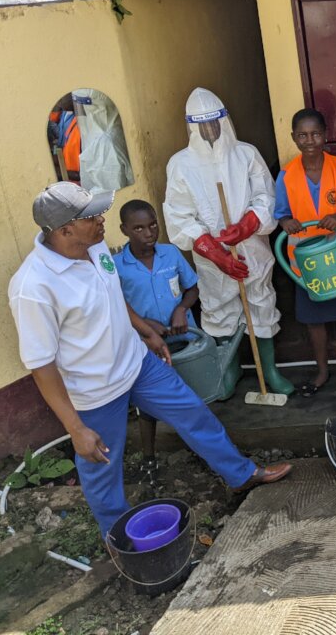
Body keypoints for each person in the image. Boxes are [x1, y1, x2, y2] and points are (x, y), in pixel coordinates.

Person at [8, 183, 291, 537]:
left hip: (138, 363)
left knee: (193, 412)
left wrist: (146, 332)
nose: (102, 220)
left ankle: (240, 475)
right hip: (95, 391)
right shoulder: (33, 287)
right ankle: (120, 538)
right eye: (92, 216)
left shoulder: (95, 249)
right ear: (65, 230)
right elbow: (41, 364)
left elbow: (111, 296)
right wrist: (76, 428)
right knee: (101, 468)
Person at [163, 87, 294, 396]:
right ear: (192, 127)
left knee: (260, 302)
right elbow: (179, 217)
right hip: (211, 259)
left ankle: (269, 371)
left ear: (224, 120)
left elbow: (266, 197)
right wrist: (212, 249)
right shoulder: (180, 165)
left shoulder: (246, 154)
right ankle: (229, 369)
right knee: (218, 309)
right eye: (202, 125)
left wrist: (248, 224)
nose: (209, 131)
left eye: (214, 122)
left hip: (251, 249)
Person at [275, 109, 336, 397]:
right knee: (314, 319)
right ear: (294, 138)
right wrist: (285, 222)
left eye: (315, 134)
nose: (310, 140)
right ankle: (322, 371)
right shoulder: (286, 175)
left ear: (325, 134)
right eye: (302, 135)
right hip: (307, 262)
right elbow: (280, 214)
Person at [113, 199, 200, 475]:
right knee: (148, 402)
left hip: (183, 336)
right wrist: (145, 326)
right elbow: (116, 306)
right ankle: (149, 457)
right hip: (146, 344)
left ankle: (199, 448)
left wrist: (181, 310)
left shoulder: (170, 254)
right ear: (124, 230)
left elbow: (192, 288)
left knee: (191, 393)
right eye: (138, 228)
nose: (149, 233)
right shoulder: (116, 266)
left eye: (152, 225)